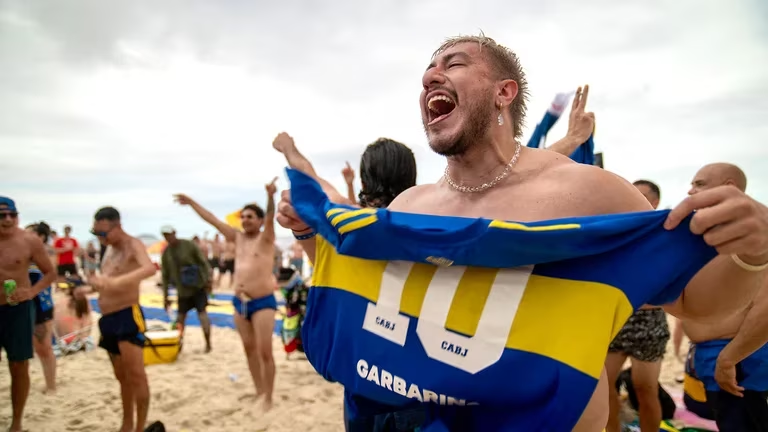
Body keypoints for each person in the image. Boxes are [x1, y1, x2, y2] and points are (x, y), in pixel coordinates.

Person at [275, 35, 768, 431]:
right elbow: (371, 300)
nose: (430, 77)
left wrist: (754, 253)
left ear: (503, 92)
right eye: (427, 71)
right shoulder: (410, 205)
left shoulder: (589, 192)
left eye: (454, 63)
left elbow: (697, 303)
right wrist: (307, 234)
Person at [175, 179, 279, 412]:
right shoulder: (237, 238)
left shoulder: (266, 238)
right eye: (243, 217)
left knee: (265, 351)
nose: (245, 220)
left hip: (262, 302)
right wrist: (191, 202)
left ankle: (269, 397)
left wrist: (270, 196)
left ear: (260, 220)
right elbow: (211, 219)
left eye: (250, 216)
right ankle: (259, 391)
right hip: (240, 302)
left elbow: (271, 217)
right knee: (249, 349)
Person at [682, 162, 768, 432]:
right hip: (713, 357)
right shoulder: (707, 237)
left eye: (700, 184)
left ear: (729, 187)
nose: (691, 191)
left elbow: (765, 306)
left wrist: (730, 357)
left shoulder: (753, 235)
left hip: (742, 359)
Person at [73, 206, 156, 432]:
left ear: (117, 226)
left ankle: (140, 426)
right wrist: (87, 289)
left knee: (136, 375)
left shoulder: (133, 244)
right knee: (121, 376)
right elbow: (106, 281)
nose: (100, 238)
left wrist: (116, 283)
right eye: (95, 233)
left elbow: (149, 269)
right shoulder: (108, 248)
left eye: (103, 233)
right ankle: (127, 423)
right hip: (108, 318)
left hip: (127, 314)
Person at [605, 179, 670, 432]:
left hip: (649, 329)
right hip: (617, 323)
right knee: (603, 387)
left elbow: (668, 290)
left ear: (655, 202)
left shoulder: (663, 236)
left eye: (639, 194)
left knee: (645, 390)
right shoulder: (618, 234)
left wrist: (628, 296)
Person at [0, 197, 56, 432]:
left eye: (12, 215)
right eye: (2, 215)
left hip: (18, 309)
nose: (8, 220)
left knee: (19, 365)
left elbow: (50, 273)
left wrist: (31, 292)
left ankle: (16, 423)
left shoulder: (28, 240)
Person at [160, 226, 213, 353]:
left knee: (202, 314)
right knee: (180, 318)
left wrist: (208, 280)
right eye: (166, 235)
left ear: (174, 233)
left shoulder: (189, 245)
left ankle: (208, 344)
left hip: (198, 287)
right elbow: (165, 276)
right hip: (182, 291)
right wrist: (165, 297)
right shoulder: (166, 253)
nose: (168, 237)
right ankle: (178, 344)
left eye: (169, 234)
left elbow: (203, 263)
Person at [25, 222, 58, 393]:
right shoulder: (24, 252)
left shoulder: (47, 252)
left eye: (29, 233)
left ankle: (51, 385)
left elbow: (51, 274)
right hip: (25, 303)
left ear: (41, 237)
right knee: (36, 347)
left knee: (44, 346)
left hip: (41, 303)